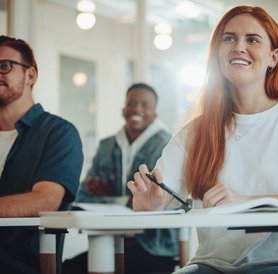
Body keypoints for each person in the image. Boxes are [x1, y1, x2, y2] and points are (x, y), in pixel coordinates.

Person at [128, 6, 278, 274]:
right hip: (210, 264)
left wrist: (248, 202)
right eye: (229, 39)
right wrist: (148, 207)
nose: (239, 46)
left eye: (252, 39)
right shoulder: (196, 131)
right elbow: (162, 197)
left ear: (273, 57)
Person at [62, 83, 179, 274]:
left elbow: (167, 202)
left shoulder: (167, 145)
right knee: (66, 269)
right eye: (132, 103)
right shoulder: (106, 145)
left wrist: (110, 197)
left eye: (145, 104)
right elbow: (83, 197)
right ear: (123, 109)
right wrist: (128, 200)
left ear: (154, 114)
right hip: (112, 242)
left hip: (155, 248)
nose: (137, 108)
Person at [0, 35, 83, 274]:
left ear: (31, 75)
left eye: (5, 66)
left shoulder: (59, 134)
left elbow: (45, 200)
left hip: (20, 265)